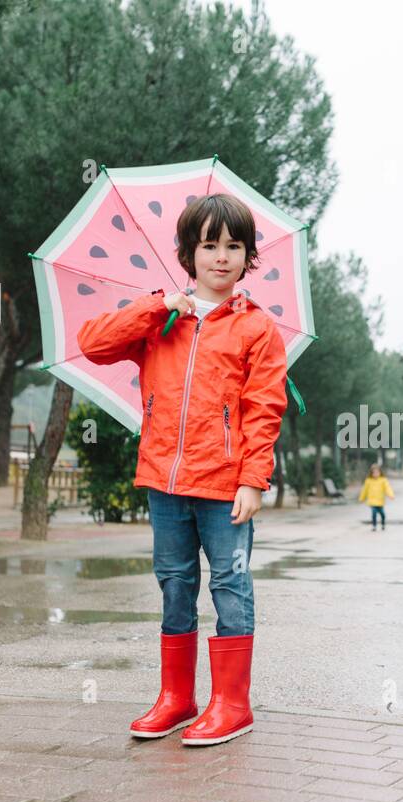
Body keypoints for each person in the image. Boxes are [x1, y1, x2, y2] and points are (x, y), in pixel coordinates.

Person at [76, 193, 288, 746]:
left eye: (234, 246)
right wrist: (157, 307)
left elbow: (264, 408)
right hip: (164, 482)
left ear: (248, 257)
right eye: (209, 244)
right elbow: (93, 343)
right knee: (174, 584)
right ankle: (176, 698)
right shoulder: (160, 319)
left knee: (230, 585)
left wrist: (252, 479)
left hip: (225, 486)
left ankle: (231, 704)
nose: (222, 256)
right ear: (188, 253)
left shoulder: (257, 329)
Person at [358, 463, 394, 530]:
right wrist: (361, 498)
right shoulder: (368, 481)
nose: (375, 474)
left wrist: (391, 495)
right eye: (374, 472)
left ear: (380, 472)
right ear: (371, 473)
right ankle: (374, 526)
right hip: (372, 501)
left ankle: (383, 523)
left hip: (380, 501)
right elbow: (364, 490)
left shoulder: (383, 480)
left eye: (377, 472)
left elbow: (387, 488)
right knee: (374, 513)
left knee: (382, 514)